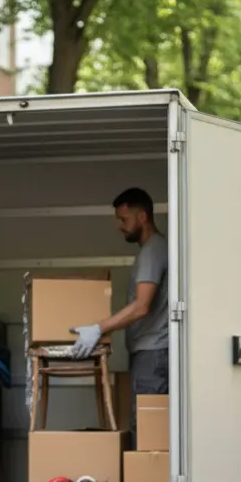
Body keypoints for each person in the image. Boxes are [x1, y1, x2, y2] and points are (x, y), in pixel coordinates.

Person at [68, 187, 169, 442]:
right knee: (147, 429)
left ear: (142, 216)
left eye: (124, 219)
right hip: (150, 353)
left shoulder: (153, 251)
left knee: (147, 434)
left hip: (153, 354)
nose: (119, 226)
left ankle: (147, 472)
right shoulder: (152, 250)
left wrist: (98, 328)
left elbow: (141, 306)